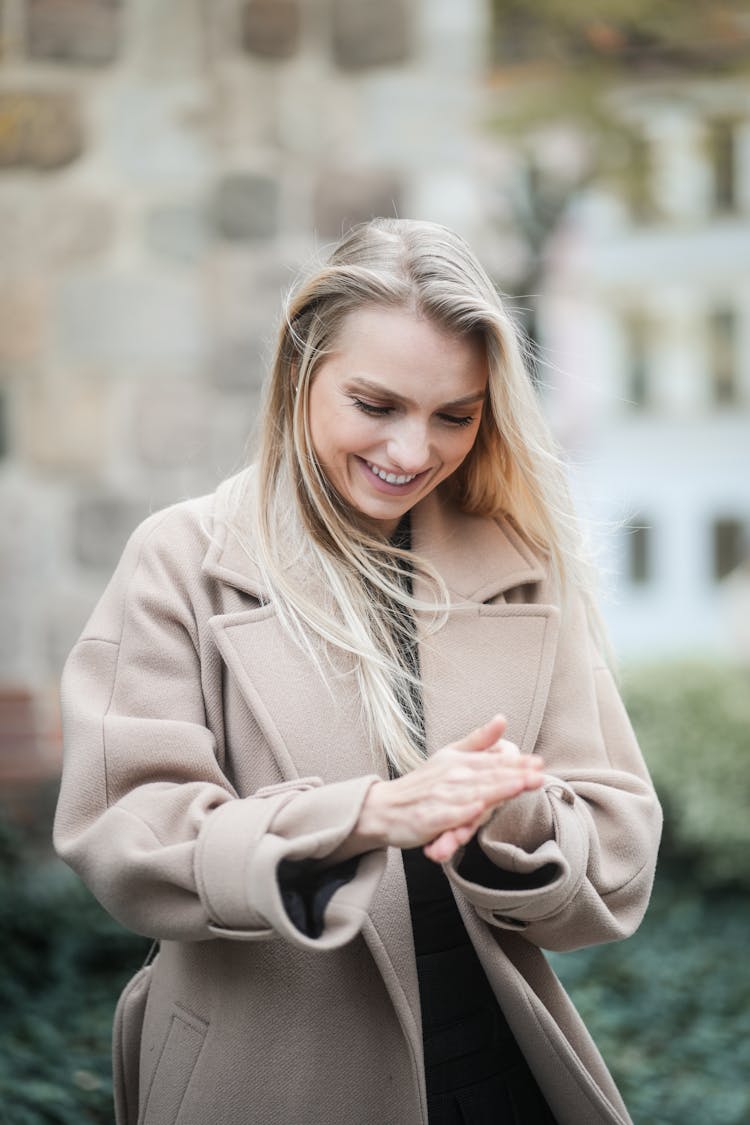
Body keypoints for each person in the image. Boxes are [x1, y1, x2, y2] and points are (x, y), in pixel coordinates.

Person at [54, 218, 662, 1125]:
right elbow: (126, 831)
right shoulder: (179, 557)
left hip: (495, 1075)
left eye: (455, 415)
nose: (414, 453)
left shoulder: (519, 562)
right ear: (300, 375)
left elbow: (618, 850)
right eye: (376, 406)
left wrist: (511, 811)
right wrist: (366, 816)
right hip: (267, 1081)